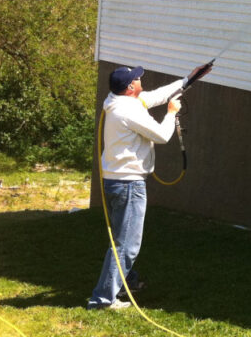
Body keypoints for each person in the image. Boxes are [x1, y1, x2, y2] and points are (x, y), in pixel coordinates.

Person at [87, 62, 212, 310]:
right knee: (127, 245)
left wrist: (190, 77)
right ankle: (102, 300)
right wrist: (171, 113)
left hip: (116, 181)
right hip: (128, 185)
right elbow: (161, 135)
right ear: (131, 87)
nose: (140, 79)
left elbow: (157, 95)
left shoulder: (120, 102)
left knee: (121, 241)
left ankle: (124, 282)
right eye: (137, 78)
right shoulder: (128, 111)